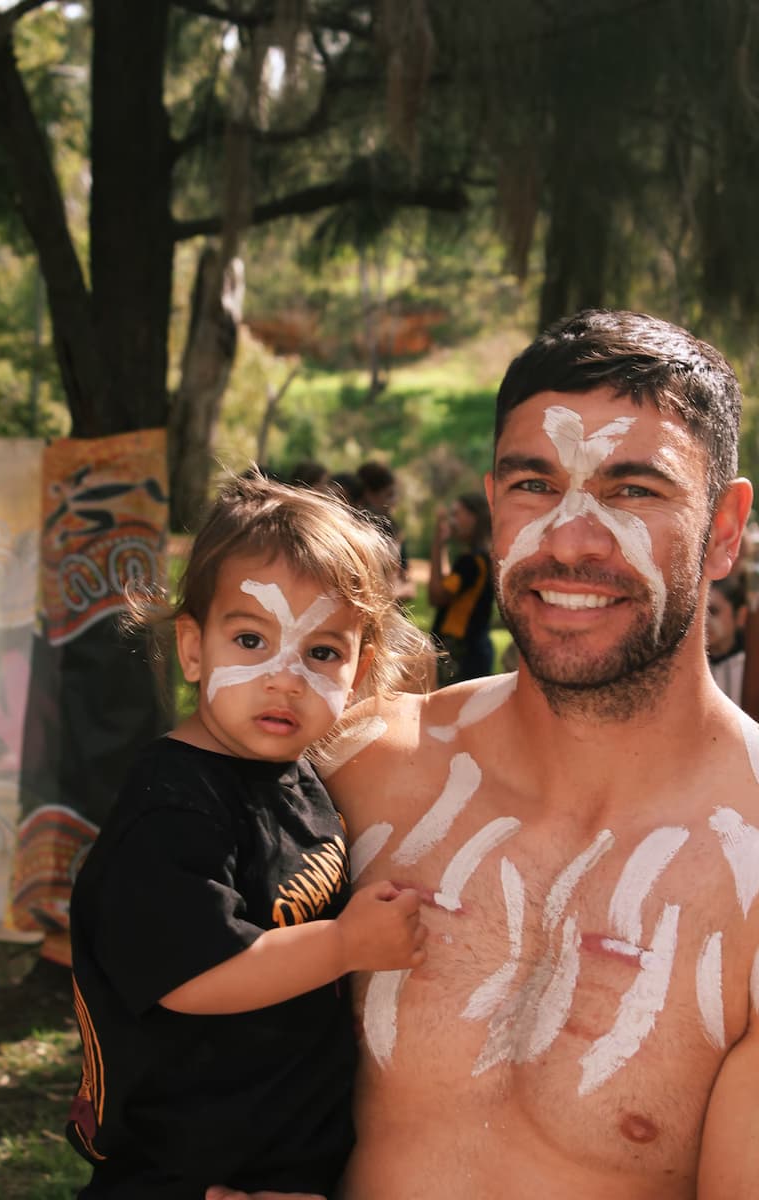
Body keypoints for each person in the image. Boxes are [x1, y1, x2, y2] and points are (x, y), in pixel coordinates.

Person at [207, 308, 759, 1200]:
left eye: (633, 491)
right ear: (493, 502)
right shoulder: (355, 769)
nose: (572, 540)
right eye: (534, 485)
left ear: (724, 529)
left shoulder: (750, 873)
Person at [66, 473, 429, 1199]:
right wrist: (346, 945)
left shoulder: (294, 776)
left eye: (322, 652)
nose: (286, 677)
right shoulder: (174, 805)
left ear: (359, 673)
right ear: (193, 650)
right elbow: (196, 975)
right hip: (189, 1174)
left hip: (278, 1160)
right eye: (252, 639)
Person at [428, 492, 495, 685]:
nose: (452, 521)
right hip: (476, 650)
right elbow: (449, 583)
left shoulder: (471, 562)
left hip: (460, 653)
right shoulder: (482, 558)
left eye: (456, 514)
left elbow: (436, 596)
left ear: (473, 517)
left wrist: (436, 544)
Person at [356, 460, 416, 604]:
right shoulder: (360, 529)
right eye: (388, 495)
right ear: (368, 494)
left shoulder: (393, 526)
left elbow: (404, 571)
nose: (394, 501)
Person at [707, 574, 747, 703]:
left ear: (741, 615)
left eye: (713, 611)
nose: (704, 620)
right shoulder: (684, 664)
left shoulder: (751, 666)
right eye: (699, 612)